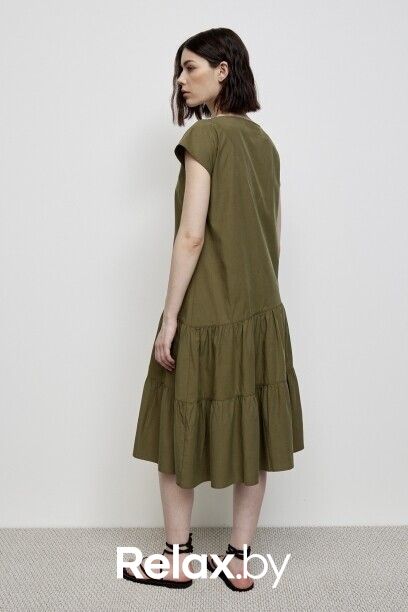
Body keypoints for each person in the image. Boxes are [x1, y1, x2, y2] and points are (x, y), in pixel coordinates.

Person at [124, 27, 304, 592]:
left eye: (190, 67)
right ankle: (239, 561)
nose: (181, 80)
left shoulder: (204, 139)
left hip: (206, 309)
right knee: (252, 428)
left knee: (178, 430)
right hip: (261, 309)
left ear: (223, 70)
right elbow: (274, 234)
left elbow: (191, 235)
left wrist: (170, 319)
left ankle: (177, 560)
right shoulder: (265, 145)